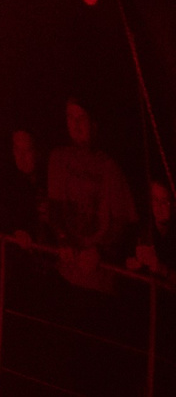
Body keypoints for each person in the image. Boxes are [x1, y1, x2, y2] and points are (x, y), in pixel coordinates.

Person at [45, 98, 138, 287]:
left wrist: (99, 250)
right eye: (70, 117)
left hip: (99, 279)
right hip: (65, 272)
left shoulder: (110, 168)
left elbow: (124, 221)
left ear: (93, 123)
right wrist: (62, 239)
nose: (75, 125)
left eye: (81, 118)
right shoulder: (58, 159)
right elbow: (54, 207)